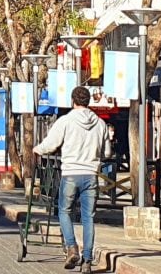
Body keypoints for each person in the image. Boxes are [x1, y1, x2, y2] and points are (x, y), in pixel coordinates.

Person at [33, 86, 111, 274]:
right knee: (88, 218)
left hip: (70, 174)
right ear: (88, 101)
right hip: (91, 175)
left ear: (72, 101)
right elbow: (107, 152)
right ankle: (87, 261)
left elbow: (50, 144)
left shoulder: (65, 121)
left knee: (64, 212)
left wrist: (37, 150)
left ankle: (71, 247)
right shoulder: (101, 124)